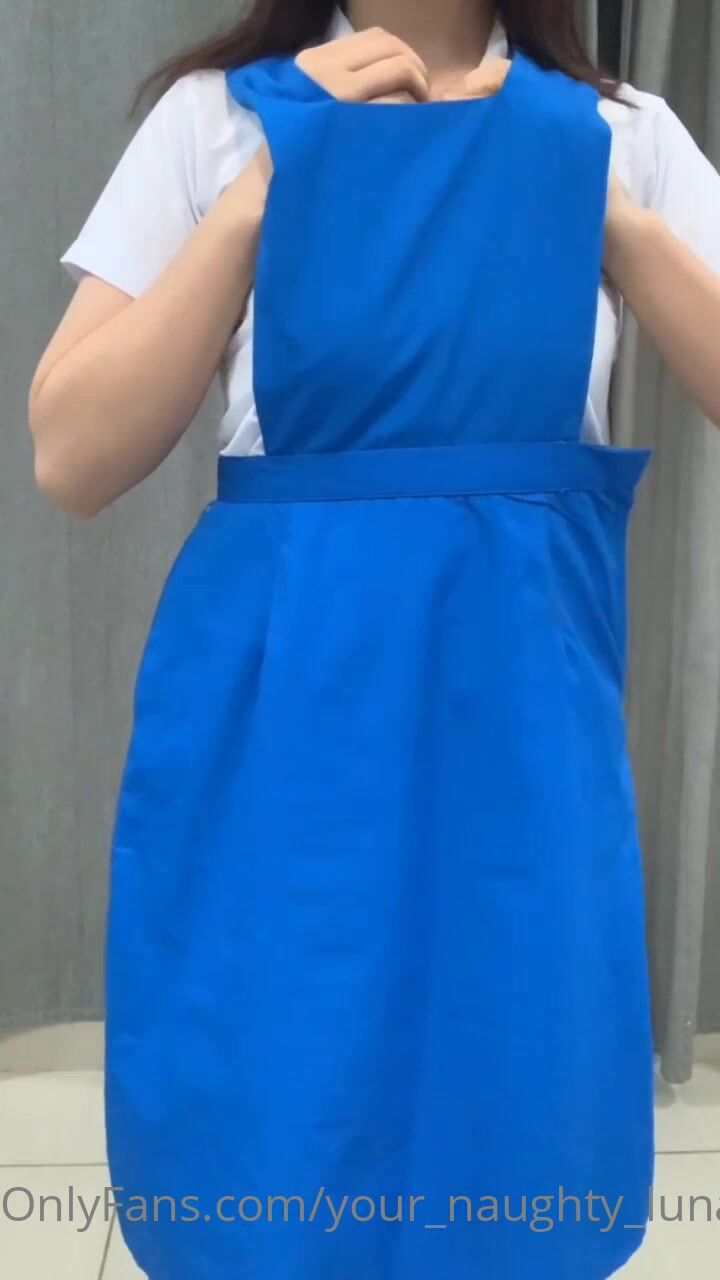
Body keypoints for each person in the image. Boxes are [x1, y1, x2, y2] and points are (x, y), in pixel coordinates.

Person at [28, 3, 720, 1279]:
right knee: (281, 1094)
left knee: (512, 1082)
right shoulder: (220, 119)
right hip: (282, 711)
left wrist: (614, 217)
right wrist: (259, 198)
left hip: (516, 724)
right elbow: (70, 456)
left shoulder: (621, 134)